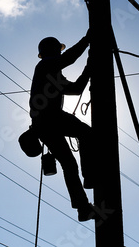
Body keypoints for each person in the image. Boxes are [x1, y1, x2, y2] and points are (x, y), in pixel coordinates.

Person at [29, 32, 96, 221]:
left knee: (69, 164)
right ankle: (90, 177)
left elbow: (75, 89)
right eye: (58, 51)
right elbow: (69, 58)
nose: (59, 54)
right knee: (86, 134)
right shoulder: (44, 66)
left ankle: (83, 208)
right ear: (53, 52)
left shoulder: (53, 74)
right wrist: (87, 39)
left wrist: (89, 68)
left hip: (45, 125)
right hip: (50, 119)